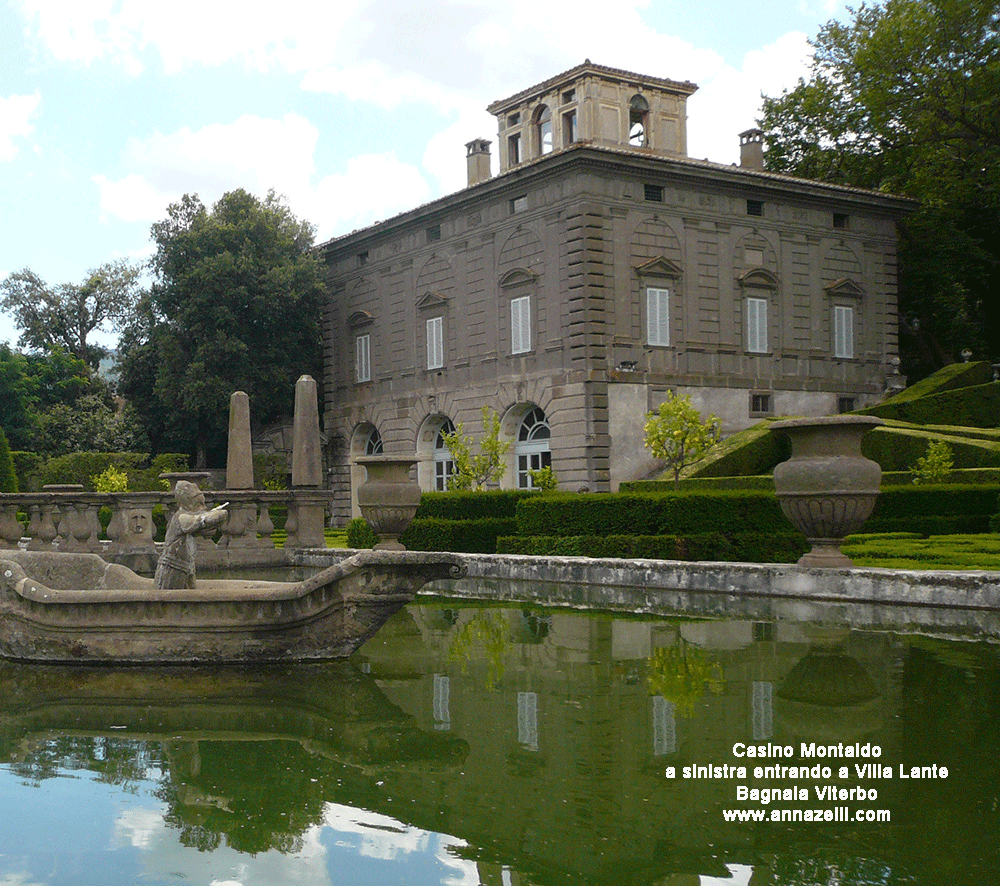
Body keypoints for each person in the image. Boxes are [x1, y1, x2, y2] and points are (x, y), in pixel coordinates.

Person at [154, 480, 228, 589]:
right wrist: (214, 514)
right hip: (172, 569)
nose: (203, 508)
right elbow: (203, 521)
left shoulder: (189, 517)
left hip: (187, 568)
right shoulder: (181, 517)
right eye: (199, 504)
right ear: (188, 502)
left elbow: (208, 527)